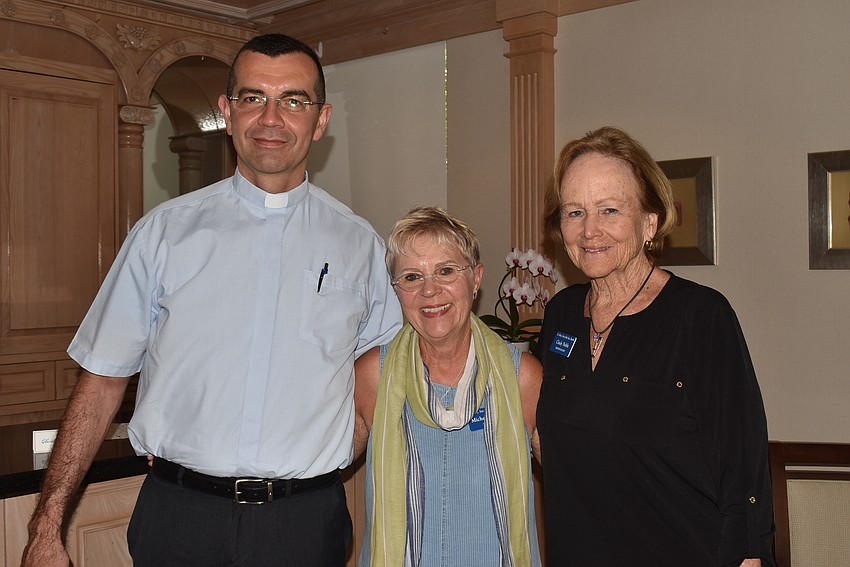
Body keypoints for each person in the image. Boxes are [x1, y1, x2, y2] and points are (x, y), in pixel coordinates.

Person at [22, 34, 402, 567]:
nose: (271, 118)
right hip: (179, 518)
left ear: (320, 120)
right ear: (227, 112)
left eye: (293, 100)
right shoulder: (164, 234)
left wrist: (343, 445)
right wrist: (46, 527)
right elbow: (103, 380)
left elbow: (386, 371)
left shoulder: (360, 245)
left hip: (304, 523)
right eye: (252, 98)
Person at [536, 126, 775, 567]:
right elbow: (549, 433)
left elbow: (742, 466)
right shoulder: (561, 315)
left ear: (651, 222)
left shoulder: (701, 317)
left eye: (610, 209)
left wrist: (749, 558)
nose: (590, 230)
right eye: (574, 212)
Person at [353, 207, 543, 566]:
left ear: (476, 279)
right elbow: (326, 459)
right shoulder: (373, 375)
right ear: (396, 291)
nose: (429, 290)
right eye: (411, 277)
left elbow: (576, 474)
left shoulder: (523, 378)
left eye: (446, 271)